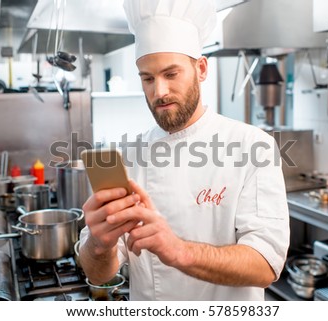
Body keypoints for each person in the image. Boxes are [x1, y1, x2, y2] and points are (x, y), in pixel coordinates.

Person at [79, 0, 290, 301]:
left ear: (200, 69)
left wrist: (178, 251)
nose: (159, 92)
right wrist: (98, 245)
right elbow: (97, 274)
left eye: (171, 74)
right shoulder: (127, 156)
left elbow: (266, 264)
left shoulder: (253, 146)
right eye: (148, 79)